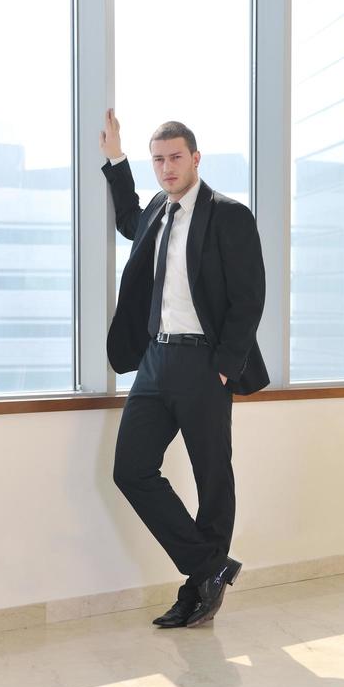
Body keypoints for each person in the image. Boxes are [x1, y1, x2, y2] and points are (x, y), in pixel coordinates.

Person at [99, 109, 268, 628]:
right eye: (158, 160)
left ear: (196, 159)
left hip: (203, 362)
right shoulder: (156, 208)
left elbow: (249, 296)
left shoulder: (228, 214)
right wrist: (116, 160)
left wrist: (223, 367)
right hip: (154, 361)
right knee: (131, 470)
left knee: (212, 476)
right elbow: (128, 220)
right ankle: (210, 569)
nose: (167, 168)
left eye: (175, 158)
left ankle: (198, 588)